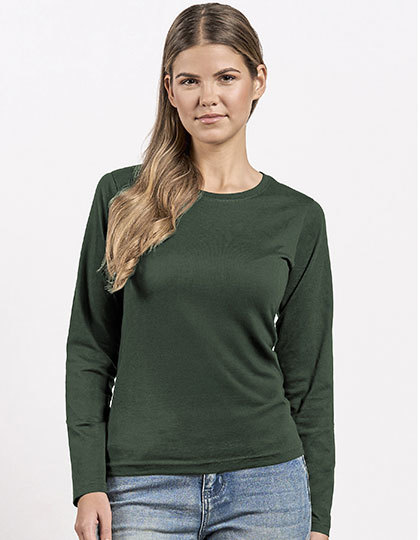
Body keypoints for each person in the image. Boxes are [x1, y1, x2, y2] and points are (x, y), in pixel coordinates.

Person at [65, 3, 335, 539]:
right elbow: (91, 348)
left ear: (258, 81)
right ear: (170, 90)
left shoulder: (298, 217)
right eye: (190, 80)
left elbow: (310, 378)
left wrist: (318, 518)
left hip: (268, 486)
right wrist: (88, 482)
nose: (208, 97)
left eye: (226, 77)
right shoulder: (122, 197)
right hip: (141, 486)